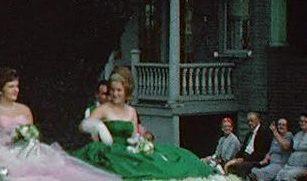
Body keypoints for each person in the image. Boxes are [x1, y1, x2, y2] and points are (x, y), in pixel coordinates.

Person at [74, 72, 213, 179]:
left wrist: (141, 144)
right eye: (113, 90)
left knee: (169, 158)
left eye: (119, 90)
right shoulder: (103, 109)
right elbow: (83, 126)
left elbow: (134, 135)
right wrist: (99, 126)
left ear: (125, 91)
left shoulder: (131, 111)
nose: (115, 94)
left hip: (128, 149)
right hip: (109, 151)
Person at [225, 111, 273, 176]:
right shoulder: (249, 134)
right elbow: (243, 149)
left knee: (241, 166)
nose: (249, 123)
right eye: (248, 121)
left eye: (251, 121)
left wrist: (243, 159)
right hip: (245, 157)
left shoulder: (264, 133)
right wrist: (237, 158)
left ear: (258, 120)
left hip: (256, 160)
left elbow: (259, 153)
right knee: (229, 163)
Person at [274, 113, 307, 181]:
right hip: (291, 165)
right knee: (279, 175)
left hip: (303, 167)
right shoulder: (297, 134)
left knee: (288, 176)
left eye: (305, 121)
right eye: (301, 121)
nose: (303, 123)